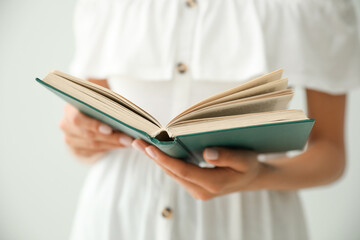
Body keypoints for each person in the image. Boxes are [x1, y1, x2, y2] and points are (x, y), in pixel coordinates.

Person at [60, 0, 360, 239]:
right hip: (119, 218)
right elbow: (90, 121)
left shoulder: (309, 5)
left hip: (246, 223)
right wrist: (81, 136)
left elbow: (331, 153)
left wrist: (261, 174)